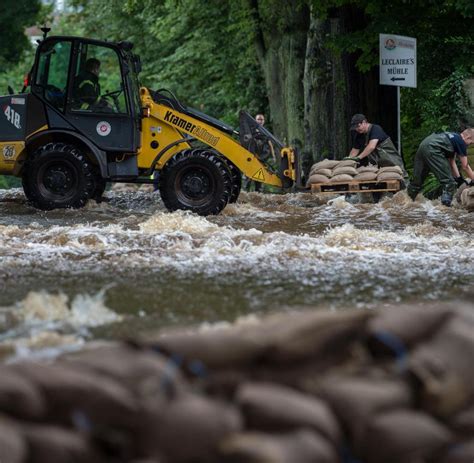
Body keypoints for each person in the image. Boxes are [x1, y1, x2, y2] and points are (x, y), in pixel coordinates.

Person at [407, 128, 474, 206]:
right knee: (449, 183)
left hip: (424, 145)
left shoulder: (454, 137)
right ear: (468, 137)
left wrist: (458, 179)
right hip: (433, 148)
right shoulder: (461, 142)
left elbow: (452, 163)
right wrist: (473, 178)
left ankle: (406, 202)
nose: (470, 144)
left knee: (416, 183)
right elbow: (465, 166)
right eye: (471, 142)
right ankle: (445, 209)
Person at [345, 114, 409, 185]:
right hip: (377, 163)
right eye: (355, 128)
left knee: (401, 176)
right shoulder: (359, 134)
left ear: (364, 122)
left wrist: (358, 158)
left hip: (391, 159)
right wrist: (349, 161)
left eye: (358, 126)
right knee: (378, 182)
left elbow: (371, 146)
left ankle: (408, 193)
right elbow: (355, 150)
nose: (357, 129)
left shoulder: (375, 129)